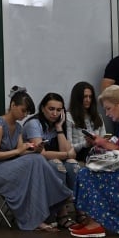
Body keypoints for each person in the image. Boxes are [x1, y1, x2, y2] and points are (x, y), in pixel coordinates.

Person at [0, 90, 73, 231]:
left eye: (27, 113)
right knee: (36, 160)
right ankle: (61, 194)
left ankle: (44, 209)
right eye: (23, 111)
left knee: (37, 157)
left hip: (8, 166)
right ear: (12, 105)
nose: (24, 115)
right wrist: (19, 151)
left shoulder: (18, 127)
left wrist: (33, 148)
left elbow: (20, 152)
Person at [71, 85, 119, 238]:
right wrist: (102, 146)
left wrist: (104, 143)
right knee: (86, 172)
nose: (107, 113)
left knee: (87, 174)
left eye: (109, 108)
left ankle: (95, 222)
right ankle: (93, 220)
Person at [22, 93, 78, 228]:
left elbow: (70, 156)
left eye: (59, 110)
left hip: (51, 161)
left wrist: (59, 128)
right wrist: (65, 154)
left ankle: (79, 210)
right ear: (42, 108)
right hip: (32, 164)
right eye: (51, 109)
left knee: (73, 165)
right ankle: (61, 213)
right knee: (57, 164)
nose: (55, 113)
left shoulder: (59, 124)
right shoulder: (34, 123)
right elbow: (42, 154)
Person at [66, 82, 106, 162]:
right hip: (81, 153)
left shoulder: (97, 116)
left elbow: (104, 137)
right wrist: (85, 144)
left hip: (98, 150)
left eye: (90, 97)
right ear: (77, 98)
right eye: (85, 97)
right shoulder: (69, 117)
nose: (88, 100)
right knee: (90, 151)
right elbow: (69, 147)